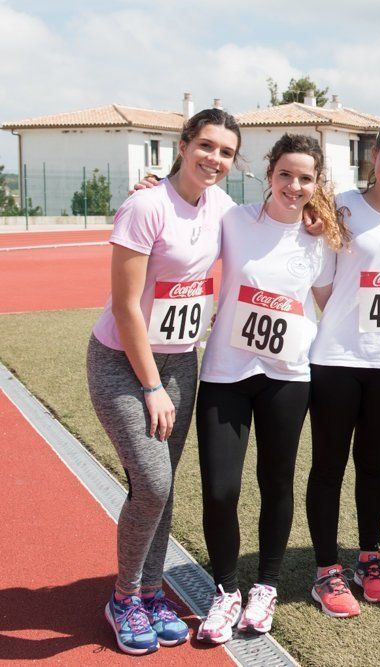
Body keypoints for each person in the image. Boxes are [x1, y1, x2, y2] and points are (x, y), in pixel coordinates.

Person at [87, 108, 240, 654]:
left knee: (163, 485)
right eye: (205, 146)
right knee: (151, 483)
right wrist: (151, 387)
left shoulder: (221, 205)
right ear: (182, 145)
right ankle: (124, 597)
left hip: (180, 362)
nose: (214, 159)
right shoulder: (145, 206)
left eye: (225, 151)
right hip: (123, 361)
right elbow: (128, 307)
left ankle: (152, 592)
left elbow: (271, 218)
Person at [194, 134, 347, 643]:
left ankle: (266, 586)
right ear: (269, 173)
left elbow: (332, 301)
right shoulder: (234, 221)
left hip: (287, 376)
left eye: (306, 178)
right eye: (286, 175)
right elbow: (187, 219)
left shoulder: (320, 238)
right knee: (220, 489)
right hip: (225, 374)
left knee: (275, 483)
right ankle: (225, 590)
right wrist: (152, 189)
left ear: (316, 183)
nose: (295, 186)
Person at [305, 119, 380, 618]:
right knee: (329, 465)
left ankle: (369, 560)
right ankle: (326, 570)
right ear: (373, 155)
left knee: (373, 463)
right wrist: (345, 314)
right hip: (335, 357)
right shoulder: (343, 208)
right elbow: (322, 280)